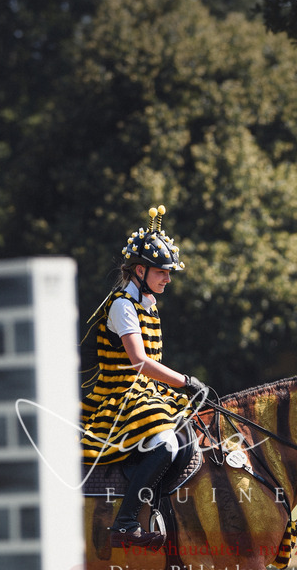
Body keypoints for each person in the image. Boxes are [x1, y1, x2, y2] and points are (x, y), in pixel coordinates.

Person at [81, 205, 207, 549]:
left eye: (169, 273)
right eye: (162, 272)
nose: (168, 278)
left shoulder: (149, 303)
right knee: (165, 443)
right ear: (140, 270)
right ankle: (124, 523)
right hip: (118, 396)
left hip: (145, 393)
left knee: (191, 432)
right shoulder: (123, 305)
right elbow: (139, 361)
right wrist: (185, 381)